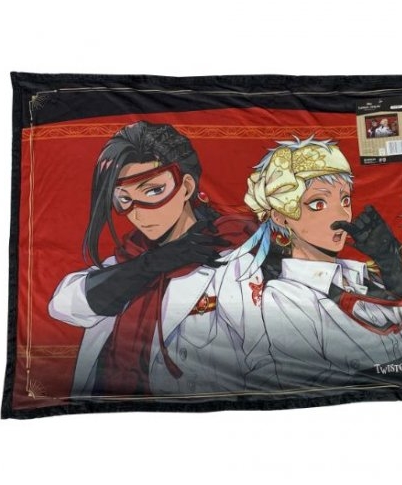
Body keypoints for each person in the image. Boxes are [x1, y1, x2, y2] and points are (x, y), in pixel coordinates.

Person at [223, 136, 402, 389]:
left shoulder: (362, 277)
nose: (341, 215)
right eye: (318, 203)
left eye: (345, 200)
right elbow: (314, 384)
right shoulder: (284, 297)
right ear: (281, 217)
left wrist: (391, 263)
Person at [49, 121, 275, 397]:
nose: (139, 213)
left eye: (154, 191)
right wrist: (154, 263)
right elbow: (64, 304)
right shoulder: (127, 260)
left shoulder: (234, 258)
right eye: (124, 199)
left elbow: (266, 358)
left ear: (186, 187)